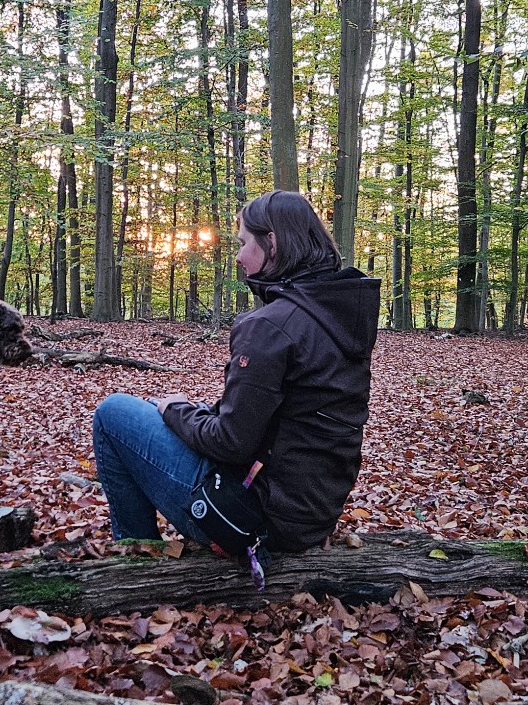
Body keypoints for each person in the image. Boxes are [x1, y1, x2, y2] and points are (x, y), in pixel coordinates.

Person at [90, 190, 381, 554]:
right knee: (156, 412)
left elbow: (230, 443)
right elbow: (277, 420)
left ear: (272, 243)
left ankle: (138, 554)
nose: (239, 257)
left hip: (252, 520)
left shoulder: (271, 326)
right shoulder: (337, 316)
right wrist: (188, 412)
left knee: (113, 414)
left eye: (244, 243)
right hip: (308, 515)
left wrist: (174, 409)